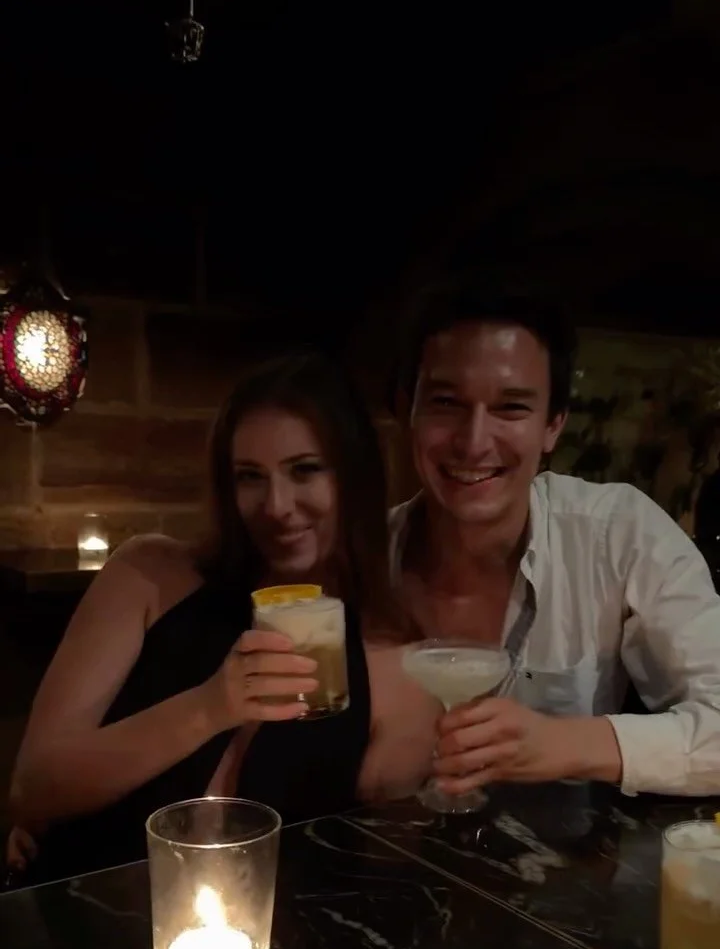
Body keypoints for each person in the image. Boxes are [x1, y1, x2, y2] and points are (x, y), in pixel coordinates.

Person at [8, 349, 436, 883]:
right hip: (76, 908)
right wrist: (211, 706)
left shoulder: (395, 665)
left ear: (354, 476)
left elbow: (381, 871)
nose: (276, 506)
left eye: (305, 470)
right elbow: (32, 789)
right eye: (250, 477)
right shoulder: (150, 576)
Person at [389, 279, 720, 799]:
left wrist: (562, 743)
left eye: (511, 408)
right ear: (407, 411)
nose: (474, 443)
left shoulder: (616, 533)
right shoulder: (363, 554)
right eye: (446, 403)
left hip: (562, 846)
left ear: (553, 426)